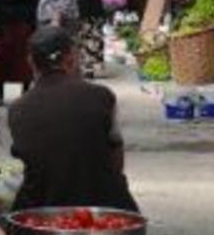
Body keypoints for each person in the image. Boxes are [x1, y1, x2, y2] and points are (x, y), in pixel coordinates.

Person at [9, 26, 138, 212]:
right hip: (105, 205)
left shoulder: (17, 109)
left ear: (31, 62)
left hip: (41, 207)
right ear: (71, 58)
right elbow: (116, 157)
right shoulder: (101, 96)